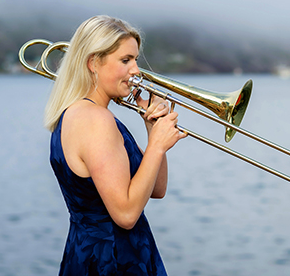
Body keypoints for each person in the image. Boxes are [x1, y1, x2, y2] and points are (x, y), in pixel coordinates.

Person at [45, 15, 187, 275]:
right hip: (113, 260)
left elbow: (156, 189)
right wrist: (156, 146)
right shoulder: (95, 120)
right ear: (94, 63)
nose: (136, 70)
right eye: (125, 60)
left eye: (135, 59)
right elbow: (126, 214)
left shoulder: (79, 114)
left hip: (92, 252)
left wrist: (152, 130)